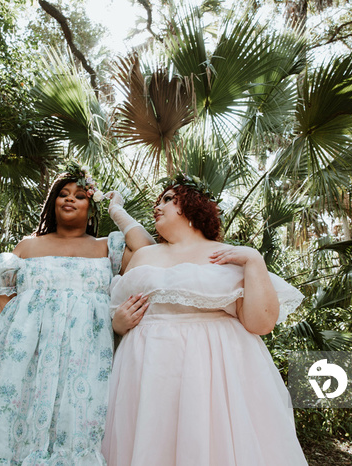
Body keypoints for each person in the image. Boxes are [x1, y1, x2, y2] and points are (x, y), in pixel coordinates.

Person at [0, 162, 154, 465]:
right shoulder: (27, 247)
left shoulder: (108, 248)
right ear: (52, 203)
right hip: (18, 362)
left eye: (80, 196)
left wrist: (116, 210)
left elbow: (148, 252)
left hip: (84, 363)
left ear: (91, 209)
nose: (69, 199)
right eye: (63, 193)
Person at [101, 174, 308, 466]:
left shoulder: (225, 255)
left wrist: (253, 259)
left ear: (193, 207)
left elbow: (260, 324)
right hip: (144, 369)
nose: (159, 206)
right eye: (159, 201)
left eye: (169, 199)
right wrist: (117, 324)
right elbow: (117, 309)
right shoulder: (144, 255)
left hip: (211, 370)